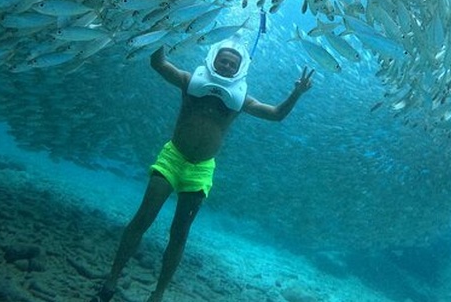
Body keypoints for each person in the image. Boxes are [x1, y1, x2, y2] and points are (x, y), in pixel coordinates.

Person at [90, 37, 314, 302]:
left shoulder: (240, 99)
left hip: (201, 169)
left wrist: (296, 94)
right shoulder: (189, 81)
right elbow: (158, 63)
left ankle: (157, 295)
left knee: (179, 233)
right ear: (213, 59)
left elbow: (276, 114)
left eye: (233, 63)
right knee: (143, 218)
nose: (228, 65)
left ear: (240, 68)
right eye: (224, 60)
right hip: (172, 157)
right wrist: (160, 33)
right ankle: (111, 282)